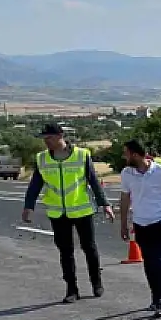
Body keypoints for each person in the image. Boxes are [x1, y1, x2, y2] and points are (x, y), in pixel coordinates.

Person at [22, 124, 116, 303]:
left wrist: (104, 204)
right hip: (58, 212)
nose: (46, 141)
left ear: (60, 136)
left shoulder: (81, 155)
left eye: (49, 138)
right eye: (44, 138)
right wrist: (29, 206)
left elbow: (93, 181)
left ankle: (96, 283)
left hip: (82, 209)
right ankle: (72, 289)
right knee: (65, 251)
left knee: (89, 247)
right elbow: (35, 184)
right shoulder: (42, 158)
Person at [119, 139, 161, 317]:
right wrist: (123, 224)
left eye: (126, 153)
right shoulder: (127, 173)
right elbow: (125, 199)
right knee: (149, 263)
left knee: (160, 263)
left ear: (135, 154)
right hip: (140, 224)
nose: (124, 156)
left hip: (160, 222)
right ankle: (155, 298)